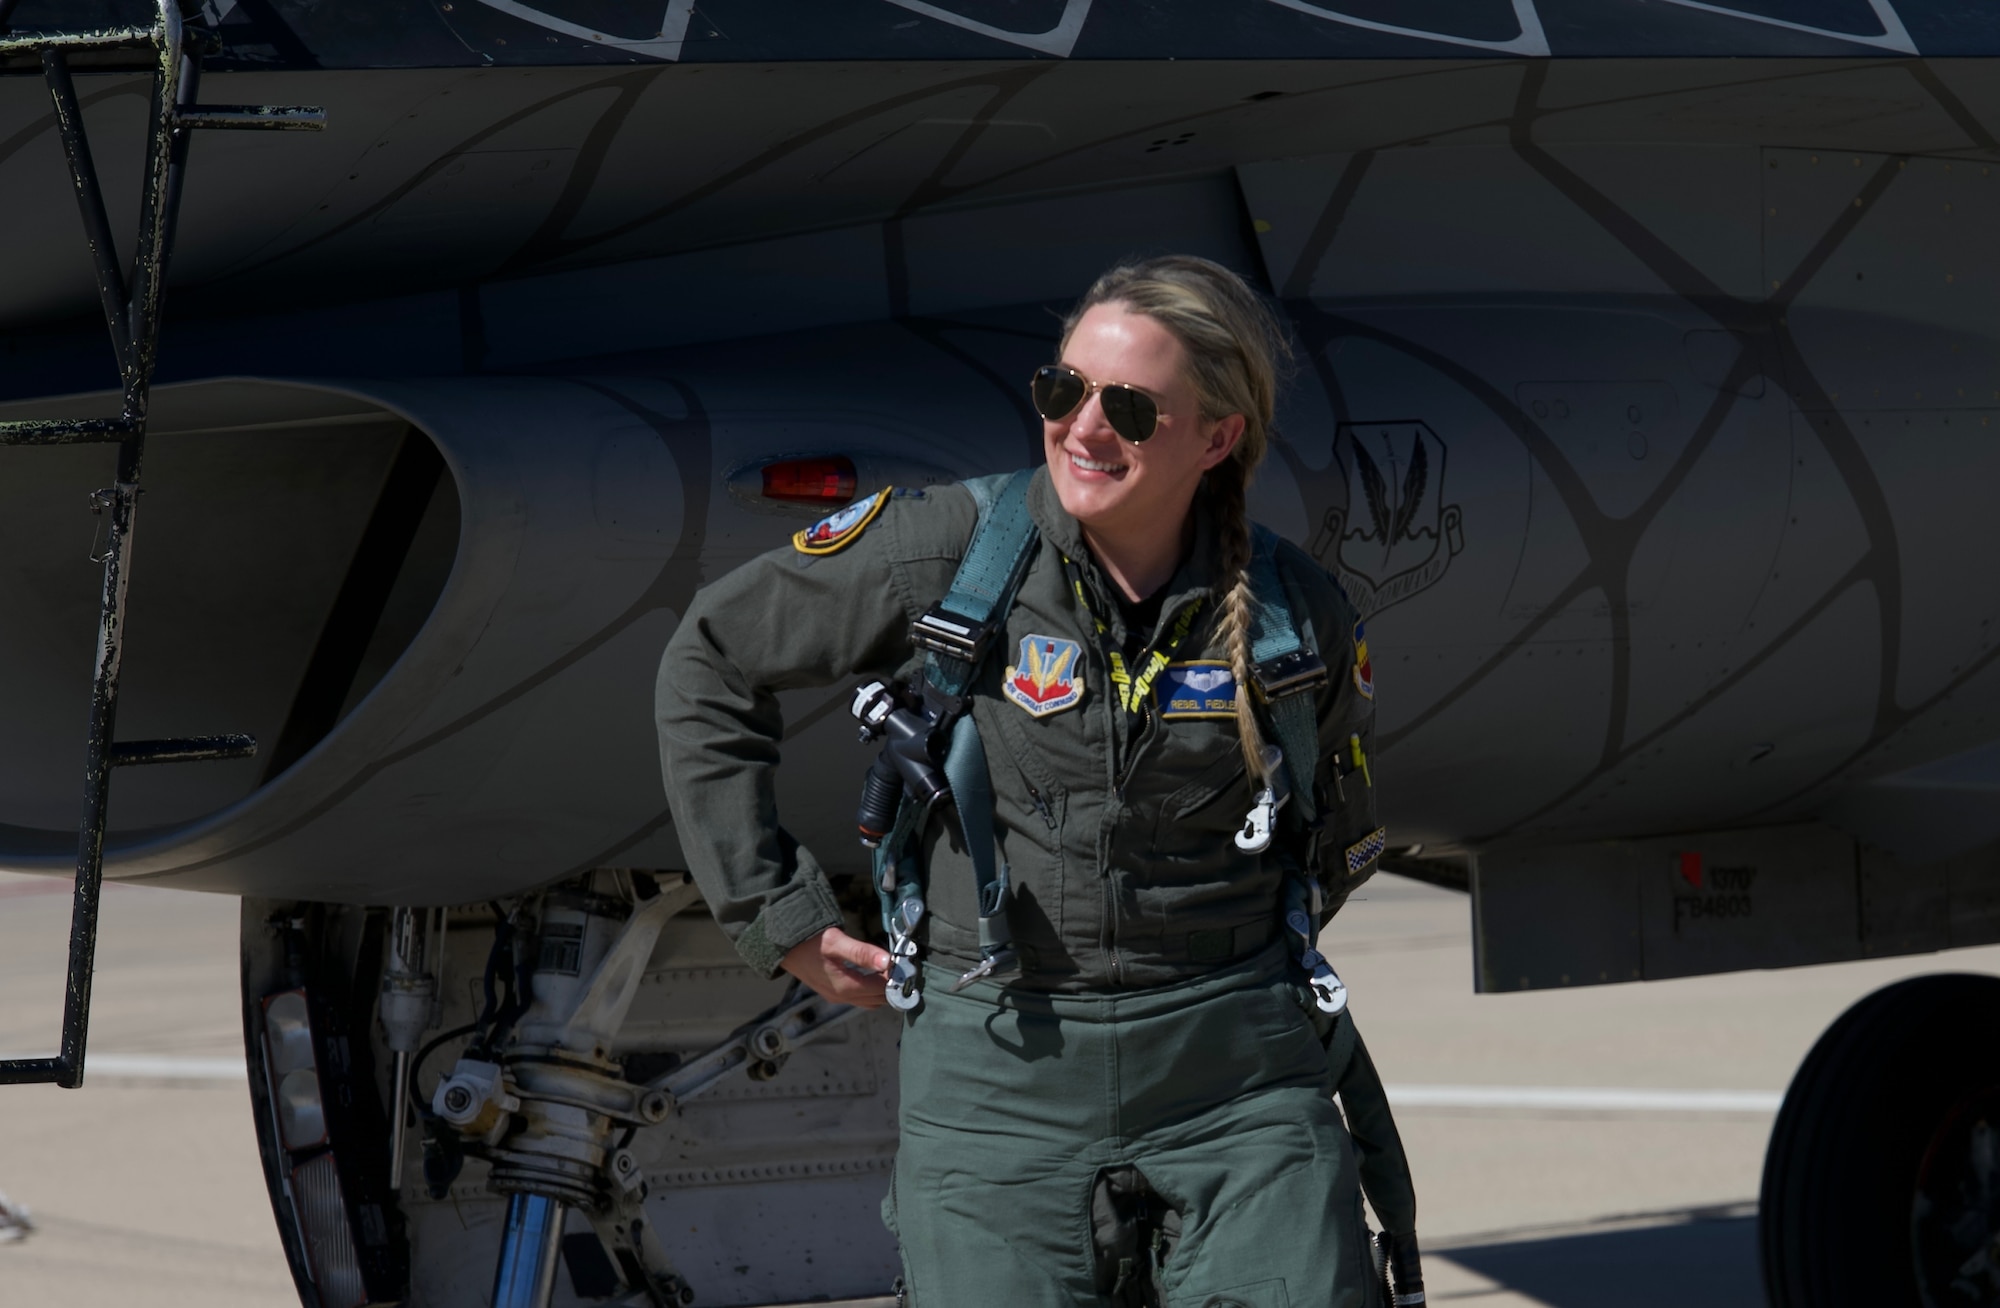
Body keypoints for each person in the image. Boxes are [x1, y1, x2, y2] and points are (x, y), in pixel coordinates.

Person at [657, 256, 1419, 1307]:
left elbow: (1330, 837)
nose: (1082, 428)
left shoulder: (1294, 616)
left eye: (1128, 407)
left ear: (1216, 437)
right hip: (997, 1076)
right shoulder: (948, 553)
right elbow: (712, 657)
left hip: (1234, 1081)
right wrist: (773, 914)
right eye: (1061, 391)